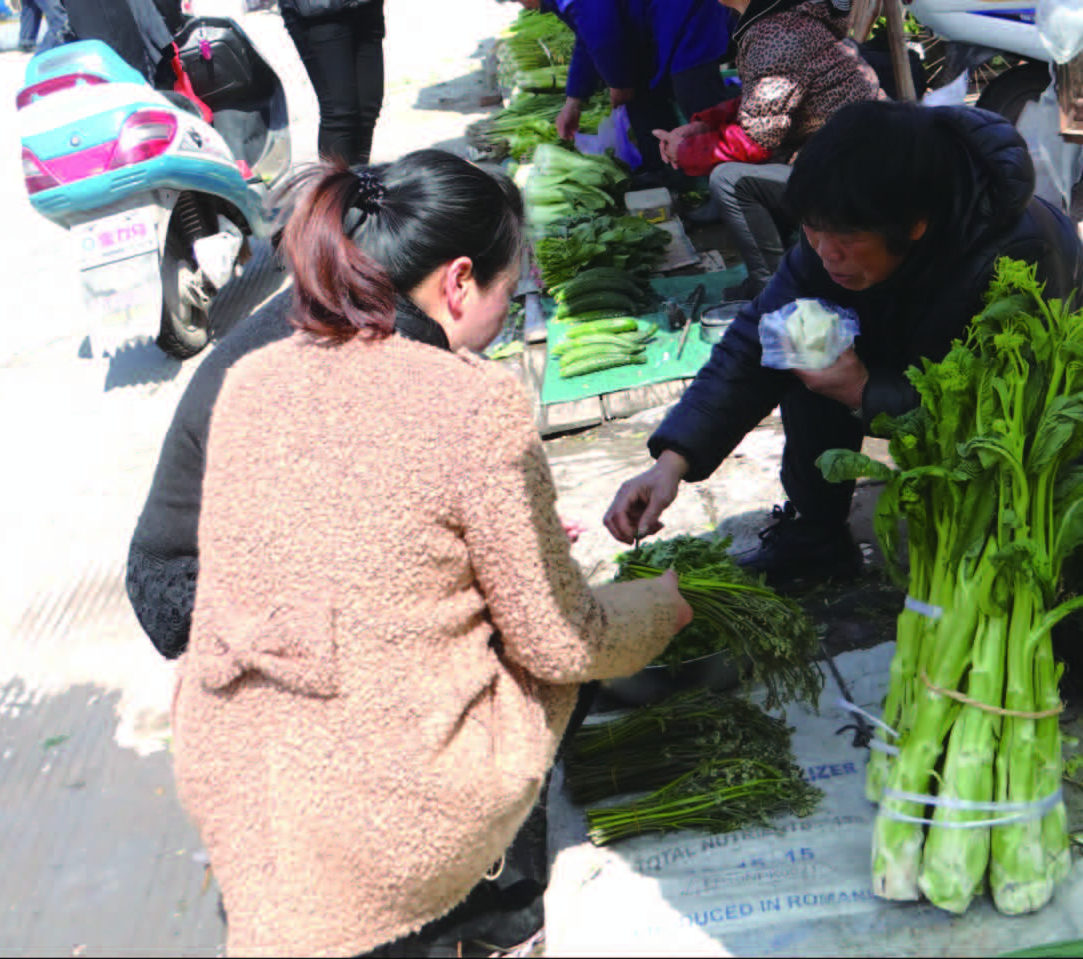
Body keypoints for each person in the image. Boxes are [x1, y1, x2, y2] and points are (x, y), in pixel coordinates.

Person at [166, 149, 692, 957]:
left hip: (234, 771)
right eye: (508, 293)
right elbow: (559, 634)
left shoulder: (253, 375)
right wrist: (661, 604)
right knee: (550, 664)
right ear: (456, 283)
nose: (508, 316)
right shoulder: (472, 399)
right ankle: (498, 913)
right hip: (382, 818)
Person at [604, 100, 1083, 587]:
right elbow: (759, 330)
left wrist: (865, 392)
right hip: (931, 378)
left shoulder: (1021, 249)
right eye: (812, 232)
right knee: (803, 342)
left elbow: (1008, 409)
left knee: (1021, 539)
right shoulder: (841, 222)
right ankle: (817, 535)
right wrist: (673, 462)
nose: (826, 254)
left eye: (847, 241)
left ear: (917, 224)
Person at [654, 0, 886, 301]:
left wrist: (684, 152)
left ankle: (774, 292)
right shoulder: (782, 21)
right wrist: (698, 128)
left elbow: (756, 141)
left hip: (853, 176)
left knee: (729, 179)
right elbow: (761, 104)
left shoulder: (778, 34)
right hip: (848, 158)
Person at [515, 0, 731, 182]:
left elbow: (603, 36)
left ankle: (727, 182)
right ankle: (665, 173)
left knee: (698, 99)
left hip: (685, 15)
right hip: (657, 21)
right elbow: (587, 39)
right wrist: (574, 101)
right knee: (642, 94)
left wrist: (618, 83)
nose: (522, 5)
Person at [279, 0, 386, 165]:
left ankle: (358, 183)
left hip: (366, 6)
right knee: (340, 113)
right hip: (319, 11)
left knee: (367, 108)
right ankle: (335, 189)